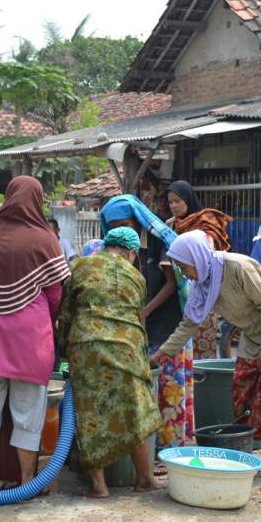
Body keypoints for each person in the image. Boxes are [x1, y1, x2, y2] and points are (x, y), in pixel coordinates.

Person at [155, 230, 261, 487]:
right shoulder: (203, 283)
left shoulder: (237, 267)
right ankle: (243, 458)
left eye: (184, 265)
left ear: (197, 257)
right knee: (242, 389)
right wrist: (160, 355)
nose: (183, 272)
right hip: (251, 331)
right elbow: (189, 324)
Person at [0, 176, 70, 491]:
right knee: (28, 415)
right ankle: (26, 481)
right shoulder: (45, 238)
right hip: (29, 340)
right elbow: (55, 295)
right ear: (37, 199)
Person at [57, 226, 160, 498]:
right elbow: (137, 316)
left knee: (91, 414)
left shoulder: (79, 265)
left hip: (87, 345)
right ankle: (145, 479)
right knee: (133, 411)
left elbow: (66, 313)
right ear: (132, 252)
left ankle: (99, 486)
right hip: (126, 346)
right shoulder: (136, 276)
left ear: (107, 245)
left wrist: (62, 351)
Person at [99, 194, 195, 459]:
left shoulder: (159, 240)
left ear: (137, 220)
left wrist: (145, 311)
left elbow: (172, 284)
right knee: (148, 391)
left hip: (167, 323)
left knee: (169, 386)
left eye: (126, 223)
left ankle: (171, 450)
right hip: (141, 325)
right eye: (115, 225)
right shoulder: (117, 247)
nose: (122, 229)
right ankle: (153, 449)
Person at [164, 180, 232, 360]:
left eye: (177, 201)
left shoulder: (205, 221)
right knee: (181, 341)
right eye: (170, 202)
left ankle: (206, 383)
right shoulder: (171, 226)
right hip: (179, 291)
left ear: (187, 198)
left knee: (202, 342)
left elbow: (213, 253)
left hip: (205, 286)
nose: (173, 206)